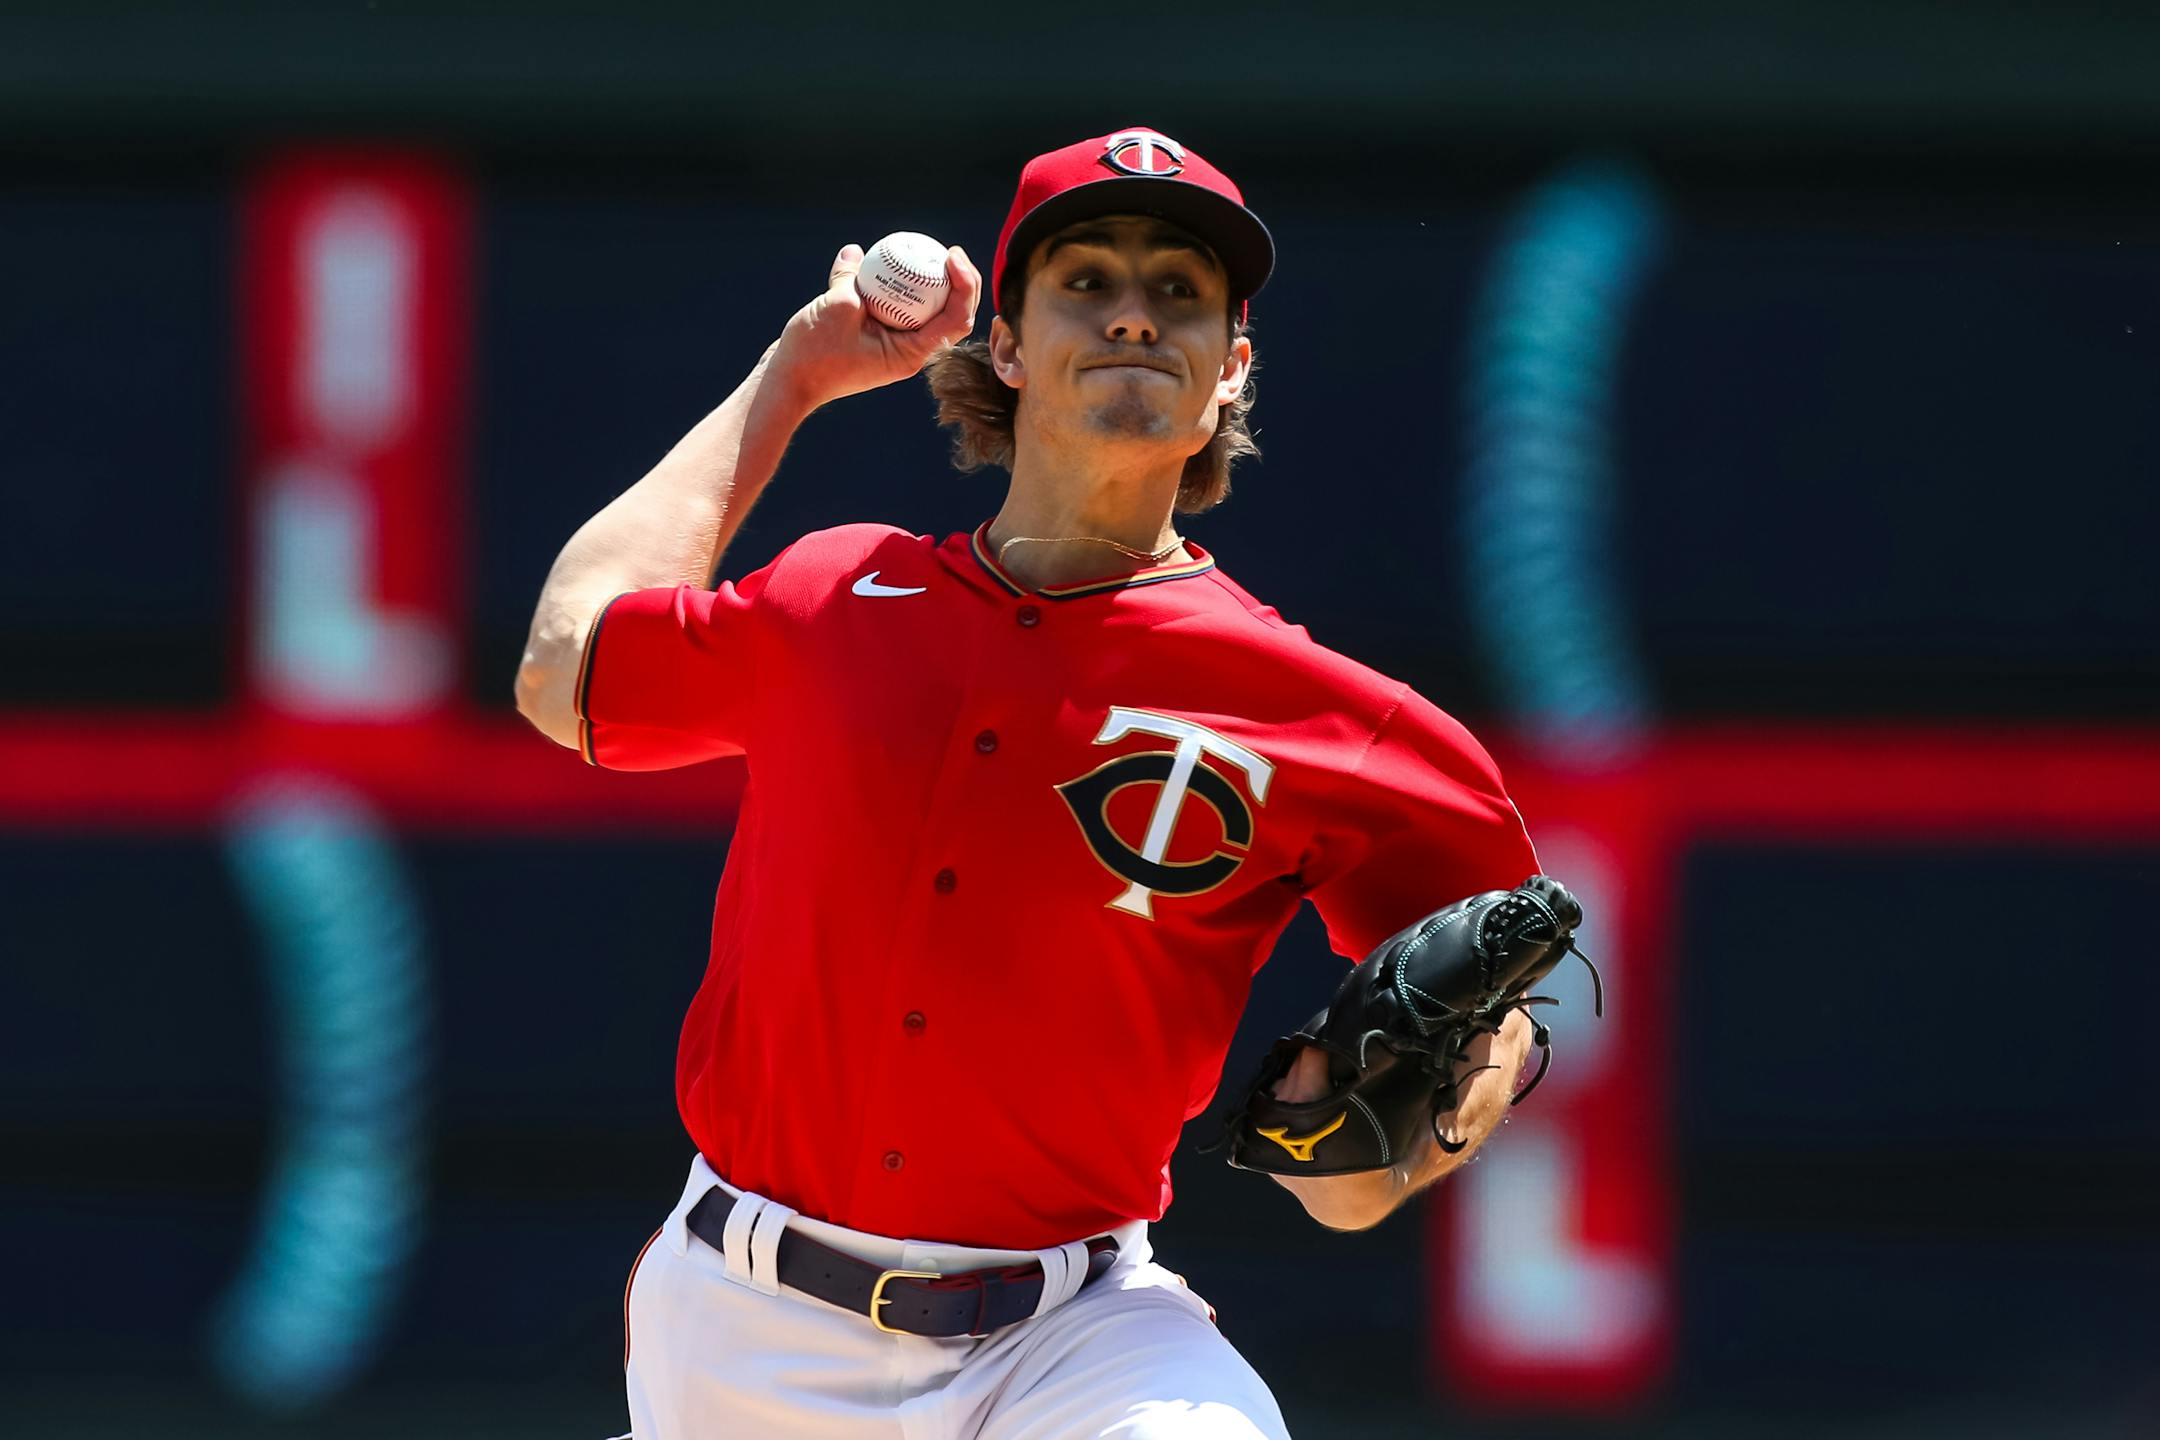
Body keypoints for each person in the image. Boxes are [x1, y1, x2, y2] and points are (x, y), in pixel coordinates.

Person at [515, 125, 1541, 1440]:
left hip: (1072, 1339)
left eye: (1180, 292)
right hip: (737, 1336)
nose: (1133, 316)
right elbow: (566, 669)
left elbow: (1500, 975)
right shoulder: (839, 597)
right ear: (1005, 345)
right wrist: (793, 377)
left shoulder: (1328, 715)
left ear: (1229, 369)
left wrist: (1412, 1136)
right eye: (1087, 281)